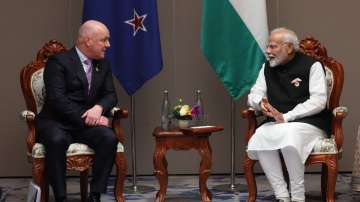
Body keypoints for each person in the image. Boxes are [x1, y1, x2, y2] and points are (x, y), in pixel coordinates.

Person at [35, 20, 118, 202]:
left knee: (109, 137)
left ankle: (95, 195)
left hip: (84, 125)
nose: (108, 45)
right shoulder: (58, 62)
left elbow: (111, 95)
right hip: (56, 122)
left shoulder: (103, 64)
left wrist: (98, 108)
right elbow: (58, 101)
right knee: (56, 140)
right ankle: (61, 197)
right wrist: (91, 118)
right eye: (104, 40)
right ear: (88, 41)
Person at [246, 28, 331, 202]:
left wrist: (287, 117)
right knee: (261, 136)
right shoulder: (266, 68)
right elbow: (254, 94)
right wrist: (261, 104)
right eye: (267, 47)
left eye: (273, 47)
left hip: (310, 123)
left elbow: (318, 101)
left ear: (289, 48)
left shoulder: (312, 66)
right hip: (277, 122)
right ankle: (282, 196)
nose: (268, 51)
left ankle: (298, 197)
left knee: (290, 136)